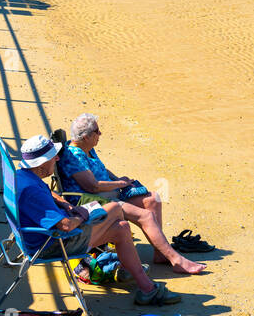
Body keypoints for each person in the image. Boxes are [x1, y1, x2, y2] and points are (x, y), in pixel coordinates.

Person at [15, 134, 181, 305]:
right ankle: (138, 275)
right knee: (115, 208)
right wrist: (82, 215)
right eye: (53, 156)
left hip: (43, 236)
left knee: (122, 228)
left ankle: (146, 288)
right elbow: (66, 225)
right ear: (42, 162)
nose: (57, 158)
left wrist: (67, 205)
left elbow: (50, 192)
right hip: (51, 245)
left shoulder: (22, 176)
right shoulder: (32, 191)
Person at [59, 114, 208, 275]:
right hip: (95, 201)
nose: (100, 134)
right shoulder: (73, 156)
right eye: (97, 131)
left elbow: (101, 170)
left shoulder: (87, 149)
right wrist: (120, 184)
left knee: (153, 199)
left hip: (109, 194)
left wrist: (117, 179)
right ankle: (176, 260)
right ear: (86, 136)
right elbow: (93, 186)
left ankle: (160, 253)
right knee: (146, 216)